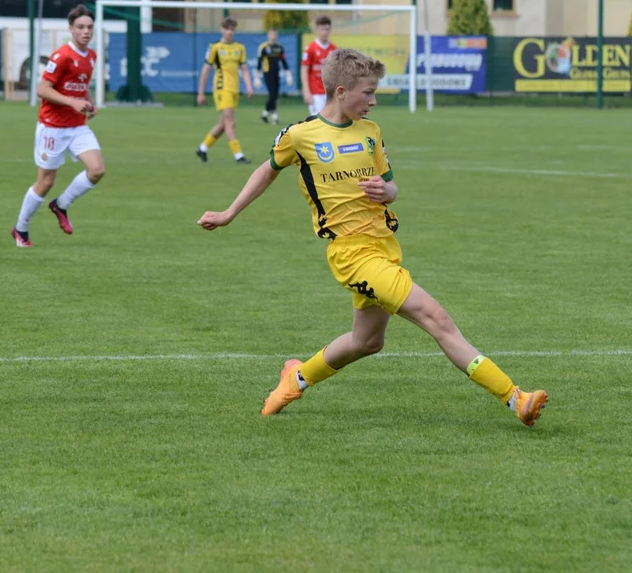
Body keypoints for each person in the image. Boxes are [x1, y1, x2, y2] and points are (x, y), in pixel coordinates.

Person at [197, 49, 548, 426]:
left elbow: (391, 185)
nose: (373, 100)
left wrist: (387, 191)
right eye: (368, 92)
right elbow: (267, 171)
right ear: (341, 91)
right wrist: (230, 212)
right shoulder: (300, 136)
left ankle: (295, 378)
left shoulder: (371, 132)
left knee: (367, 342)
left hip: (383, 246)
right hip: (351, 254)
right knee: (436, 318)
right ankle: (516, 399)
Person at [12, 4, 104, 247]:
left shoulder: (91, 56)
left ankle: (61, 204)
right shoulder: (61, 56)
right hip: (52, 127)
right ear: (71, 29)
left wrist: (89, 103)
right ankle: (21, 229)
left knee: (97, 170)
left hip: (77, 126)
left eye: (90, 27)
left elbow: (82, 86)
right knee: (45, 182)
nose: (86, 31)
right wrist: (72, 101)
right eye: (81, 27)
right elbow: (42, 89)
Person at [196, 17, 255, 164]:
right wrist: (201, 92)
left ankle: (203, 148)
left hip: (235, 89)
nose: (229, 32)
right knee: (230, 122)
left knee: (223, 124)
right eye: (227, 29)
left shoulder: (239, 48)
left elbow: (245, 69)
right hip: (222, 88)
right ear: (222, 30)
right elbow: (206, 70)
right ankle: (238, 156)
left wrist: (248, 86)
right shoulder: (215, 47)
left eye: (232, 29)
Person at [300, 16, 337, 116]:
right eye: (322, 29)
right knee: (318, 121)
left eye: (327, 29)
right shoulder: (310, 48)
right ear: (317, 30)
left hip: (330, 93)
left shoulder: (333, 49)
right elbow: (304, 70)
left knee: (331, 121)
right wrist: (306, 91)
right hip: (315, 93)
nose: (324, 32)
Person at [256, 28, 292, 126]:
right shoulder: (263, 47)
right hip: (267, 74)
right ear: (268, 35)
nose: (273, 36)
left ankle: (265, 114)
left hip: (276, 73)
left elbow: (283, 61)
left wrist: (288, 74)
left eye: (275, 34)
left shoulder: (279, 47)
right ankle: (275, 117)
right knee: (272, 95)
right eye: (271, 34)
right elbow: (259, 62)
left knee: (275, 95)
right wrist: (257, 77)